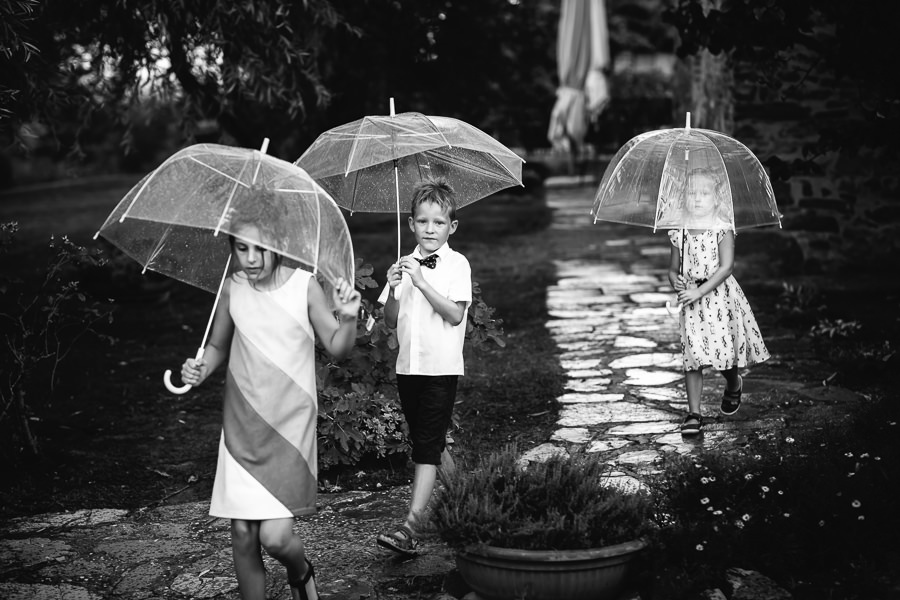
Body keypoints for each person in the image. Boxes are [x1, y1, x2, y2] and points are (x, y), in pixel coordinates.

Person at [179, 208, 361, 600]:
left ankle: (301, 571)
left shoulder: (304, 287)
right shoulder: (233, 288)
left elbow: (338, 348)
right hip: (242, 428)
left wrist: (347, 319)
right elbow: (216, 348)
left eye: (261, 249)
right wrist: (200, 368)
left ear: (279, 245)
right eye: (241, 248)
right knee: (244, 534)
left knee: (276, 537)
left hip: (289, 428)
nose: (252, 259)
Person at [375, 177, 472, 555]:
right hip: (408, 368)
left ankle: (410, 529)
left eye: (438, 222)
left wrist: (423, 283)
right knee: (427, 441)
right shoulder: (404, 264)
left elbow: (454, 314)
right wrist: (396, 288)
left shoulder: (456, 265)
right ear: (411, 224)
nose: (430, 229)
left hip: (440, 368)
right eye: (422, 221)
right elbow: (388, 319)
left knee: (426, 450)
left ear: (452, 227)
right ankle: (468, 498)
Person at [667, 167, 770, 436]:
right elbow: (672, 268)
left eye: (704, 192)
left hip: (718, 299)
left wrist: (700, 292)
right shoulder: (680, 231)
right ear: (684, 197)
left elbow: (726, 268)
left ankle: (733, 383)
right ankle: (693, 414)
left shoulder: (722, 228)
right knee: (693, 357)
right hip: (690, 301)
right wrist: (675, 281)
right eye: (692, 192)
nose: (697, 198)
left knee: (722, 355)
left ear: (717, 197)